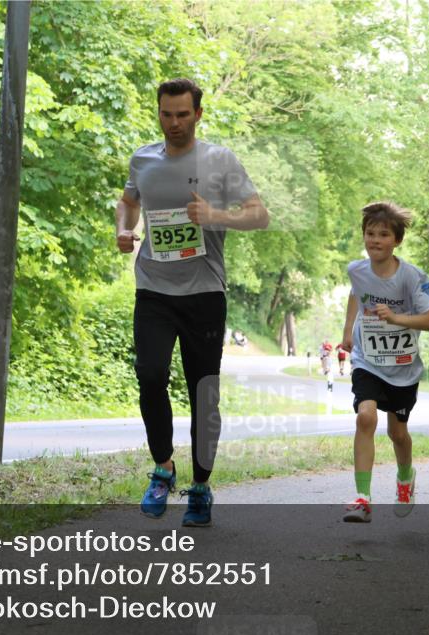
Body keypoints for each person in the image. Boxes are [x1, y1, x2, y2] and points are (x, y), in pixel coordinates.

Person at [116, 78, 269, 527]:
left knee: (203, 392)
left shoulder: (221, 160)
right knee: (150, 375)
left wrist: (217, 215)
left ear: (198, 114)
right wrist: (124, 230)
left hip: (204, 292)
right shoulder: (143, 159)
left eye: (183, 114)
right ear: (158, 112)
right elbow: (128, 203)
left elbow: (260, 215)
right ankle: (162, 469)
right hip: (154, 288)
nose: (175, 123)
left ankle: (201, 486)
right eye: (167, 114)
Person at [340, 202, 429, 523]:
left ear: (397, 240)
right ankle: (362, 497)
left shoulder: (412, 277)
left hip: (403, 367)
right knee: (365, 417)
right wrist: (347, 331)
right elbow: (357, 293)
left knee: (398, 433)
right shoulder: (356, 269)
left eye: (383, 234)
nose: (375, 240)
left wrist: (396, 318)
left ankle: (405, 476)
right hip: (368, 359)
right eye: (370, 233)